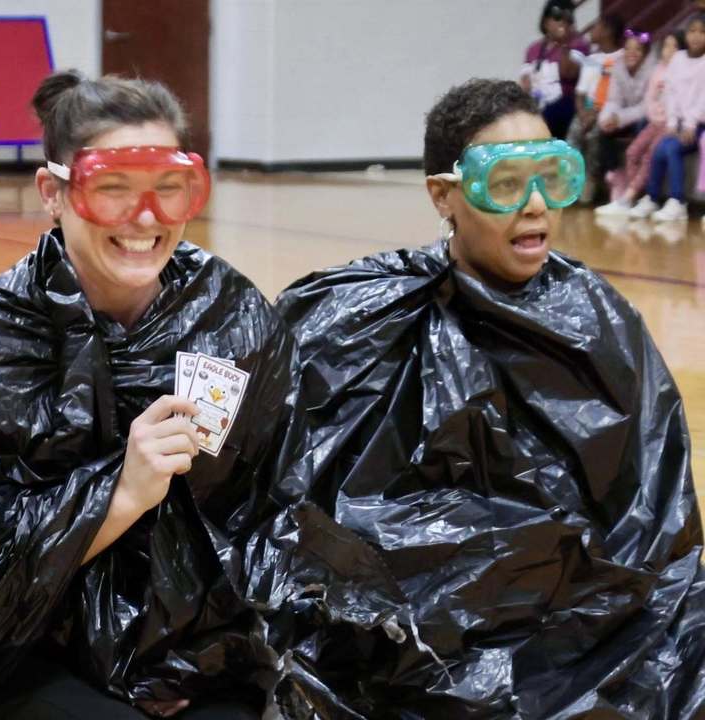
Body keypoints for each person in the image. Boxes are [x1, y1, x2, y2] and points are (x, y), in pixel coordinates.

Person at [271, 79, 705, 717]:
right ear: (443, 195)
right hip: (421, 634)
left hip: (583, 620)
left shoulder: (595, 318)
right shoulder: (365, 315)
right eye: (505, 184)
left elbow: (653, 511)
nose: (535, 207)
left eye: (549, 179)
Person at [0, 70, 306, 719]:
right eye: (112, 189)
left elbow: (279, 506)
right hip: (23, 650)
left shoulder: (229, 313)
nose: (143, 219)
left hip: (199, 654)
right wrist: (118, 494)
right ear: (54, 193)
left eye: (167, 191)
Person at [596, 30, 684, 215]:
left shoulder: (672, 70)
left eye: (674, 46)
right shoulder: (657, 68)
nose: (632, 52)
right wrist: (608, 118)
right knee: (631, 151)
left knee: (649, 154)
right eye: (628, 48)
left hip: (665, 123)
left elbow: (666, 103)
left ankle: (631, 195)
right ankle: (631, 193)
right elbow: (648, 99)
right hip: (653, 121)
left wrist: (663, 119)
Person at [629, 13, 705, 221]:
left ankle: (678, 201)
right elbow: (670, 92)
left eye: (702, 32)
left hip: (697, 124)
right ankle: (652, 198)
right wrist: (672, 122)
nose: (696, 36)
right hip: (677, 122)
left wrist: (689, 124)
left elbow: (702, 99)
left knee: (671, 148)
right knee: (659, 148)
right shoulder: (679, 59)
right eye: (692, 31)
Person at [566, 14, 625, 202]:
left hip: (609, 109)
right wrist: (583, 113)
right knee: (573, 134)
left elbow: (618, 95)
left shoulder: (622, 59)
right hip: (587, 110)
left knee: (593, 135)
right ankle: (569, 182)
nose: (591, 30)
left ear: (607, 30)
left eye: (596, 26)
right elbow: (580, 93)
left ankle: (590, 181)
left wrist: (595, 114)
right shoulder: (591, 59)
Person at [521, 0, 590, 139]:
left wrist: (564, 44)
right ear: (545, 22)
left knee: (548, 116)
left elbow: (568, 73)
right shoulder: (534, 48)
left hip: (565, 101)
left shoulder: (579, 45)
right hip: (537, 99)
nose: (562, 24)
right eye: (557, 18)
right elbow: (525, 79)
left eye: (567, 20)